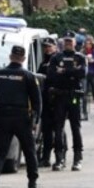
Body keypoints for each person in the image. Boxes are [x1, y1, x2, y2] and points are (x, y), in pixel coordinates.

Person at [0, 45, 42, 188]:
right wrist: (35, 120)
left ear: (10, 57)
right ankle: (32, 186)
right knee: (29, 152)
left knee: (0, 152)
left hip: (2, 117)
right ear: (23, 58)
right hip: (22, 118)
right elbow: (37, 101)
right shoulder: (28, 76)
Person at [46, 31, 86, 171]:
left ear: (75, 42)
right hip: (60, 96)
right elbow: (51, 75)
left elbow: (82, 73)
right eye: (66, 41)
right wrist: (71, 72)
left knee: (76, 127)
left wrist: (64, 71)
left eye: (70, 41)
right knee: (58, 128)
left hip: (73, 95)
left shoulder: (80, 57)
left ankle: (77, 158)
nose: (68, 43)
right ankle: (59, 158)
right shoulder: (56, 57)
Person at [37, 37, 58, 167]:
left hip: (57, 100)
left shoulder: (58, 60)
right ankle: (46, 157)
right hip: (45, 100)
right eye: (45, 47)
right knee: (47, 130)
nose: (47, 49)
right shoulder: (43, 62)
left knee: (58, 130)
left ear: (55, 47)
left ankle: (59, 157)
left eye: (49, 46)